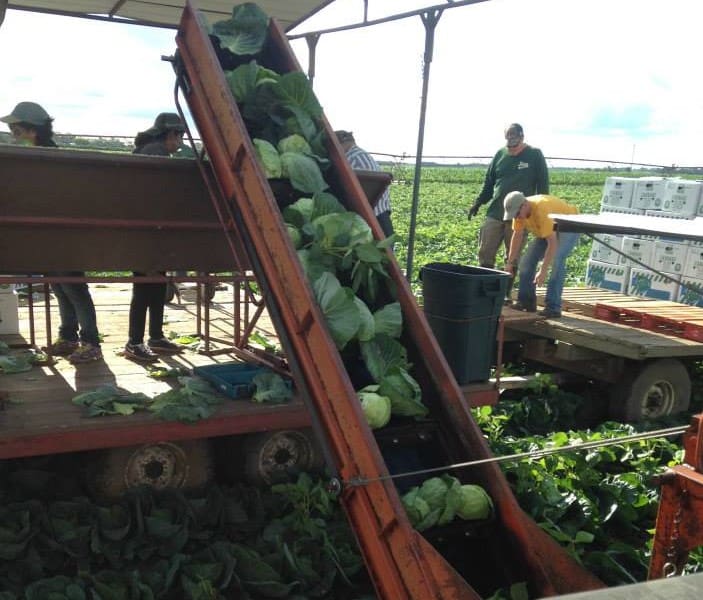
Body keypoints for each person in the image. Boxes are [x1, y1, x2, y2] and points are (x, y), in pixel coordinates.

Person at [1, 102, 103, 363]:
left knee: (74, 288)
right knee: (61, 287)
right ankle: (68, 336)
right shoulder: (42, 154)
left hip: (62, 236)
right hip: (51, 235)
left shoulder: (47, 158)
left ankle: (90, 341)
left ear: (32, 129)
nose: (12, 132)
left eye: (16, 128)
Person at [124, 113, 186, 363]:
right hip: (147, 234)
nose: (180, 143)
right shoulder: (157, 154)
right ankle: (135, 341)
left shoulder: (147, 150)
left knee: (156, 285)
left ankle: (154, 337)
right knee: (145, 288)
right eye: (180, 136)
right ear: (172, 134)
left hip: (146, 232)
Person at [467, 123, 549, 275]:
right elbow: (489, 183)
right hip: (496, 212)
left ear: (521, 136)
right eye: (508, 136)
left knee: (512, 256)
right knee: (485, 251)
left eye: (514, 135)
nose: (510, 139)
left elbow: (543, 186)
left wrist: (540, 213)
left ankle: (505, 292)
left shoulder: (534, 154)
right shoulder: (500, 154)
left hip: (520, 213)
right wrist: (478, 203)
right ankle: (484, 287)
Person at [503, 191, 580, 318]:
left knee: (557, 262)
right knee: (526, 263)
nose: (516, 217)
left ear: (524, 205)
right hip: (547, 231)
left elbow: (553, 243)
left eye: (517, 213)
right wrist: (510, 263)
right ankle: (526, 302)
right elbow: (517, 235)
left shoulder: (541, 209)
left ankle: (553, 307)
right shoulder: (519, 215)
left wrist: (543, 270)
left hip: (569, 226)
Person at [335, 130, 394, 238]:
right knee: (385, 251)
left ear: (341, 144)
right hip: (381, 217)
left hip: (372, 220)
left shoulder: (352, 158)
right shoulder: (361, 154)